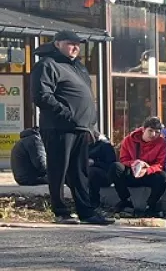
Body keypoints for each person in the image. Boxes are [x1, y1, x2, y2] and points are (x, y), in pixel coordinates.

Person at [30, 30, 112, 225]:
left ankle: (87, 212)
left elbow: (85, 98)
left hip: (81, 129)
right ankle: (61, 212)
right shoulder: (47, 64)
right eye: (70, 43)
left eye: (78, 44)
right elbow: (42, 96)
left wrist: (90, 126)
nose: (75, 47)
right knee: (58, 170)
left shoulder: (78, 67)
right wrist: (68, 114)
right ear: (57, 43)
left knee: (80, 172)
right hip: (59, 127)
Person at [114, 117, 166, 217]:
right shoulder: (129, 140)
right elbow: (123, 160)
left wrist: (147, 170)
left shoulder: (162, 143)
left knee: (163, 176)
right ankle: (126, 201)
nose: (153, 135)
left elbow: (160, 164)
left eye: (157, 132)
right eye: (150, 131)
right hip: (132, 172)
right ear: (143, 129)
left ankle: (151, 205)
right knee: (115, 167)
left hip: (149, 174)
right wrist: (135, 163)